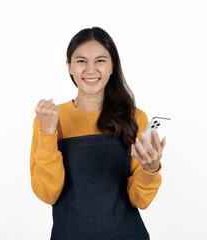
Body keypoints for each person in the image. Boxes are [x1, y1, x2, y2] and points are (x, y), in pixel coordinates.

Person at [30, 27, 166, 240]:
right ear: (69, 66)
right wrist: (48, 132)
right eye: (81, 61)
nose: (90, 69)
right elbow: (49, 193)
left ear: (112, 66)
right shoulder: (51, 119)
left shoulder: (134, 118)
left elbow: (140, 200)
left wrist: (150, 170)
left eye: (100, 61)